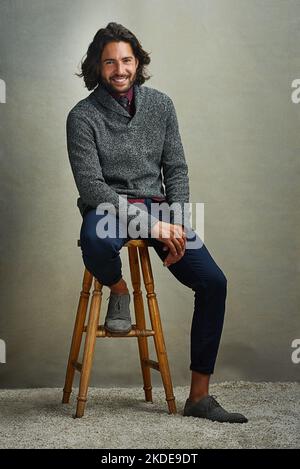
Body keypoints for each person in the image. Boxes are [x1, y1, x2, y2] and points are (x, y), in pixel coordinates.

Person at [66, 22, 248, 424]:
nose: (119, 69)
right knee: (93, 242)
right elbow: (92, 187)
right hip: (110, 208)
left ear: (138, 62)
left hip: (162, 209)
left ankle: (199, 396)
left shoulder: (161, 105)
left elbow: (176, 169)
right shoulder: (81, 117)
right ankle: (119, 288)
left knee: (214, 282)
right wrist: (152, 226)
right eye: (110, 61)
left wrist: (176, 223)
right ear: (97, 66)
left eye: (126, 60)